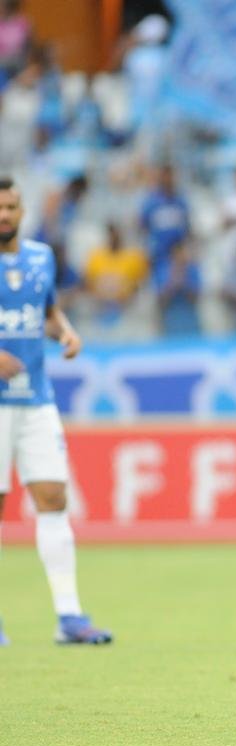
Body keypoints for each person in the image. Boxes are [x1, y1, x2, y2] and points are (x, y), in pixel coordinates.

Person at [0, 177, 111, 645]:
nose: (4, 215)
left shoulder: (42, 257)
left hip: (37, 400)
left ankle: (69, 617)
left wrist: (64, 332)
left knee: (53, 499)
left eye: (10, 207)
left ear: (22, 211)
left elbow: (46, 311)